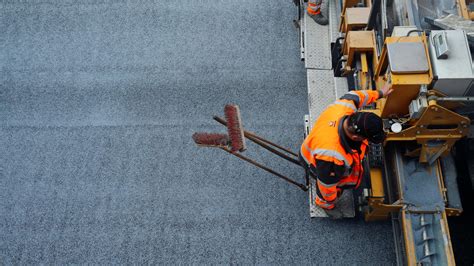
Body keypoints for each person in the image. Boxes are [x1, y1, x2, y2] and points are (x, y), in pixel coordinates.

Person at [299, 85, 392, 219]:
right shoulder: (332, 156)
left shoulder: (345, 107)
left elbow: (357, 96)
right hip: (315, 163)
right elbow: (326, 186)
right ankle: (323, 205)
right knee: (330, 187)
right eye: (366, 138)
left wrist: (379, 93)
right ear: (355, 138)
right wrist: (329, 202)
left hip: (318, 147)